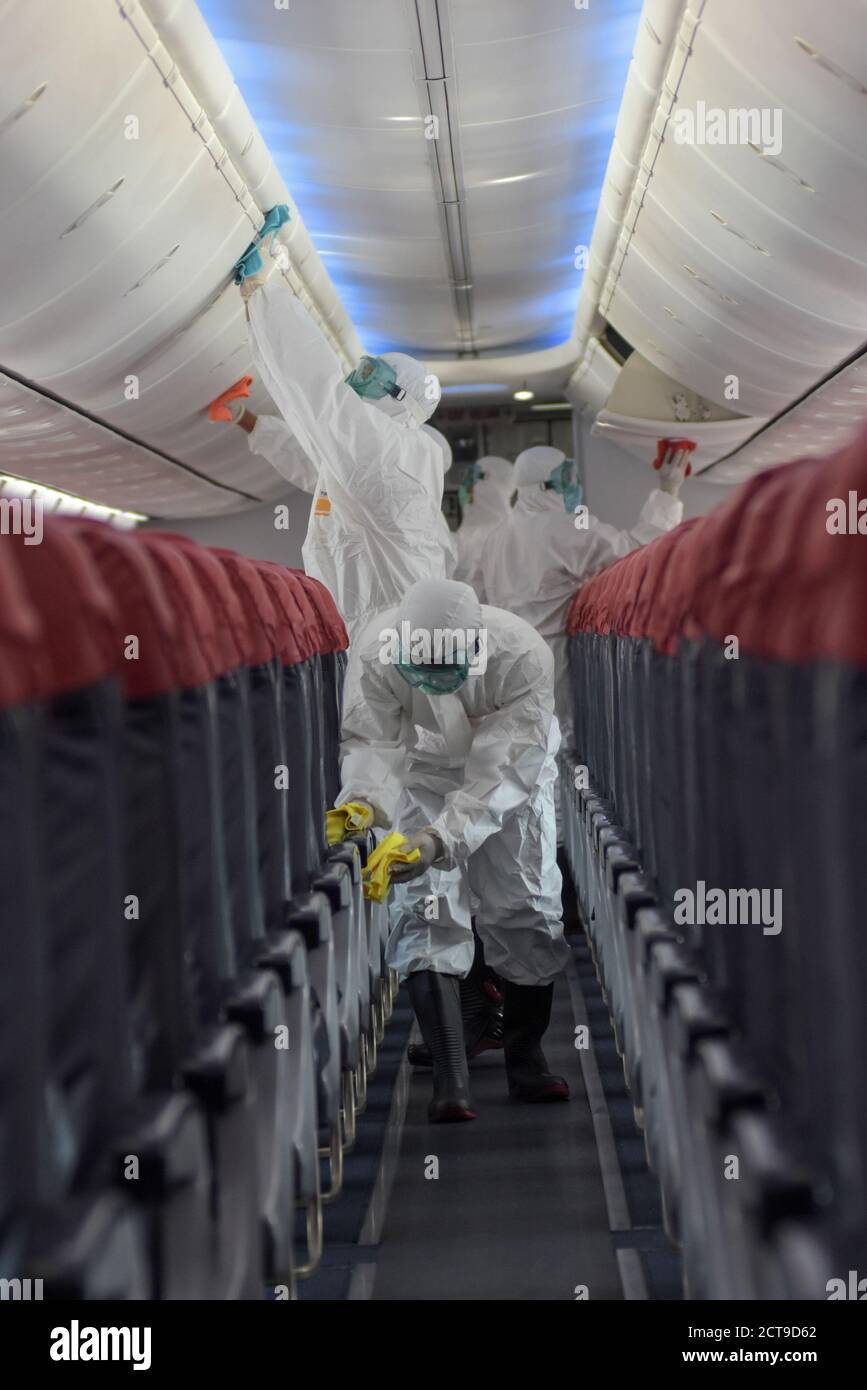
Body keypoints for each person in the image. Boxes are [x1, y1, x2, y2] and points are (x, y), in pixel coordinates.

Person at [336, 577, 572, 1123]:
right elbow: (373, 740)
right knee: (424, 909)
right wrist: (366, 802)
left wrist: (442, 839)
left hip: (510, 785)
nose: (437, 683)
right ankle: (450, 1078)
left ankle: (527, 1058)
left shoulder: (519, 655)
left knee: (525, 908)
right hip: (421, 777)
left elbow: (506, 765)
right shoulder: (376, 652)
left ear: (475, 647)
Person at [227, 207, 457, 644]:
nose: (357, 379)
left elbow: (319, 394)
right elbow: (311, 440)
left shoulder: (388, 449)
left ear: (400, 399)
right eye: (363, 368)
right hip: (374, 632)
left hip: (380, 636)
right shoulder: (388, 450)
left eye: (372, 376)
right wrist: (255, 305)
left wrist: (263, 293)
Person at [482, 444, 688, 752]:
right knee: (558, 754)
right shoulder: (560, 528)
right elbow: (637, 553)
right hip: (552, 668)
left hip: (505, 670)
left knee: (521, 756)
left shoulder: (497, 536)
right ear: (544, 487)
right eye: (568, 479)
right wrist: (668, 490)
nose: (575, 488)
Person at [452, 455, 514, 602]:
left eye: (472, 479)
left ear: (491, 485)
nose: (466, 486)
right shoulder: (468, 533)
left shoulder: (498, 535)